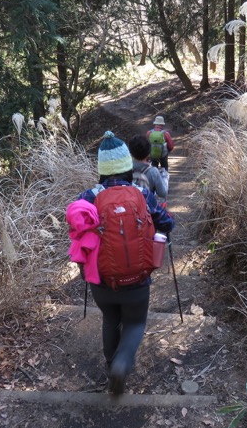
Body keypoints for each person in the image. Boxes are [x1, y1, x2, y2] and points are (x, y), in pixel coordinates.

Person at [72, 131, 174, 395]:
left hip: (102, 278)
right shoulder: (141, 193)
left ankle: (110, 368)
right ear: (127, 166)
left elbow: (76, 227)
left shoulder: (88, 196)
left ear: (102, 169)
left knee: (110, 318)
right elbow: (166, 222)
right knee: (135, 322)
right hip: (138, 277)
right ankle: (122, 363)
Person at [128, 134, 169, 205]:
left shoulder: (126, 169)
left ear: (131, 153)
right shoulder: (153, 171)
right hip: (147, 210)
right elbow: (163, 194)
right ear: (149, 153)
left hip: (130, 208)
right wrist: (165, 177)